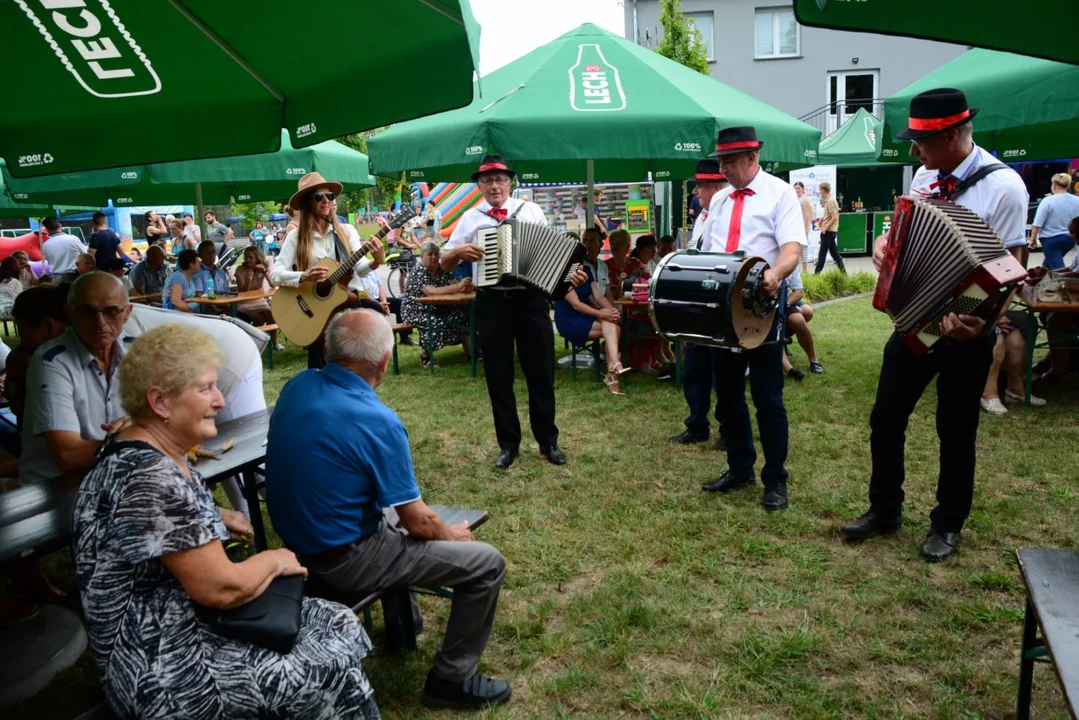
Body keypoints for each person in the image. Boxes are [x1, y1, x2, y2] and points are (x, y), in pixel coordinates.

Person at [72, 324, 380, 719]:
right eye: (206, 389)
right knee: (325, 660)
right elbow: (221, 588)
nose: (221, 400)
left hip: (176, 624)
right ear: (160, 402)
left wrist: (211, 514)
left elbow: (144, 519)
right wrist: (277, 559)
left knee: (337, 620)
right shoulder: (152, 479)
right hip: (160, 664)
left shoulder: (129, 443)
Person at [266, 309, 509, 711]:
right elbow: (417, 520)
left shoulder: (297, 385)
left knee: (387, 512)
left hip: (297, 542)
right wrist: (452, 536)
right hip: (342, 557)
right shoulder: (378, 421)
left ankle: (403, 625)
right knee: (485, 563)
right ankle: (450, 680)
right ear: (382, 363)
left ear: (328, 350)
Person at [841, 88, 1030, 561]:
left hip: (968, 332)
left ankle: (947, 524)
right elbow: (905, 230)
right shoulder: (927, 175)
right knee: (885, 417)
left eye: (920, 141)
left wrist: (975, 321)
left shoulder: (1005, 187)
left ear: (949, 136)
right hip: (916, 321)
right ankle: (885, 510)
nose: (913, 152)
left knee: (956, 428)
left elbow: (1010, 265)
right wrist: (886, 244)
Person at [441, 155, 585, 469]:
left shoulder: (530, 211)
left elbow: (553, 253)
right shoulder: (469, 218)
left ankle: (548, 441)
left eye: (500, 180)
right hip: (491, 302)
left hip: (531, 301)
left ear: (510, 183)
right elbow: (444, 262)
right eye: (488, 181)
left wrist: (568, 275)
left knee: (541, 373)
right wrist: (457, 252)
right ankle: (508, 445)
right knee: (498, 376)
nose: (495, 185)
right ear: (479, 186)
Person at [698, 126, 804, 512]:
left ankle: (775, 479)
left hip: (762, 306)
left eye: (729, 161)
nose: (723, 168)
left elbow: (792, 248)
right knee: (727, 395)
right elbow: (708, 251)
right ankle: (739, 467)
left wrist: (776, 273)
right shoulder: (721, 200)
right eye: (721, 160)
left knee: (767, 397)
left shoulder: (780, 194)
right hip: (723, 311)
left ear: (752, 158)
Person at [20, 273, 133, 486]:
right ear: (69, 312)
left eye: (111, 311)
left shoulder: (137, 351)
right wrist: (138, 436)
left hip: (115, 477)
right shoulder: (51, 361)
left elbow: (170, 420)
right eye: (88, 311)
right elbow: (68, 456)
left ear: (127, 313)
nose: (100, 322)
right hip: (57, 488)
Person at [270, 173, 384, 369]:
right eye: (318, 196)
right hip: (315, 309)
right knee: (319, 361)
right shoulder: (295, 237)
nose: (326, 201)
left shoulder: (346, 231)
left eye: (330, 196)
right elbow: (275, 274)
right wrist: (303, 276)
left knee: (375, 314)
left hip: (347, 301)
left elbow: (361, 269)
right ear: (307, 203)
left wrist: (376, 261)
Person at [671, 160, 729, 446]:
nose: (696, 191)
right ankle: (697, 424)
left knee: (722, 371)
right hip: (698, 304)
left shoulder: (728, 215)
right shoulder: (702, 217)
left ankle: (727, 428)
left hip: (719, 305)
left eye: (701, 186)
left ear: (716, 188)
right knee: (695, 368)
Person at [553, 252, 629, 395]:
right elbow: (576, 304)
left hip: (587, 315)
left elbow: (599, 296)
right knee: (614, 329)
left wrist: (611, 311)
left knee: (612, 325)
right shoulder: (561, 274)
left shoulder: (586, 271)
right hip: (569, 319)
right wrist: (602, 313)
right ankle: (612, 370)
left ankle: (613, 368)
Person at [400, 241, 474, 368]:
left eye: (436, 254)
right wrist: (458, 286)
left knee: (463, 315)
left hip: (438, 306)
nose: (434, 257)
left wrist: (467, 286)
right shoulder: (418, 271)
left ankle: (471, 354)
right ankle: (426, 356)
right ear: (422, 256)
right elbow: (432, 292)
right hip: (416, 310)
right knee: (434, 321)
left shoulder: (442, 270)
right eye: (430, 254)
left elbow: (456, 285)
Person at [6, 284, 70, 428]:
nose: (21, 341)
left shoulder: (23, 360)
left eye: (22, 332)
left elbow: (20, 409)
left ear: (48, 325)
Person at [1029, 172, 1079, 269]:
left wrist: (1033, 239)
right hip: (1069, 239)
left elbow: (1037, 223)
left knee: (1057, 267)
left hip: (1050, 240)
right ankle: (1040, 279)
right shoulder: (1077, 200)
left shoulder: (1047, 201)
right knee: (1048, 264)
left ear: (1054, 186)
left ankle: (1065, 283)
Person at [781, 266, 823, 380]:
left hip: (783, 300)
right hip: (765, 303)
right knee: (793, 321)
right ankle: (790, 370)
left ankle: (814, 360)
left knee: (803, 315)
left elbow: (799, 292)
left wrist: (785, 306)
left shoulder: (790, 262)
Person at [815, 182, 845, 274]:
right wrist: (822, 220)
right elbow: (831, 215)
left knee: (822, 253)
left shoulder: (830, 201)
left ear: (823, 190)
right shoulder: (830, 200)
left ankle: (816, 274)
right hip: (831, 230)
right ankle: (843, 273)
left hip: (828, 231)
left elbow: (834, 217)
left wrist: (825, 228)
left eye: (820, 190)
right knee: (834, 253)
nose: (819, 192)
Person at [192, 241, 231, 311]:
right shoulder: (197, 273)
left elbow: (227, 293)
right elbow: (199, 297)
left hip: (224, 306)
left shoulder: (221, 272)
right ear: (200, 255)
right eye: (208, 253)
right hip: (207, 310)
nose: (211, 255)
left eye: (213, 252)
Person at [163, 249, 202, 313]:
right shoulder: (178, 277)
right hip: (175, 315)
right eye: (197, 261)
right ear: (191, 265)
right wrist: (193, 313)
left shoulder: (189, 277)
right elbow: (176, 301)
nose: (199, 263)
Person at [581, 228, 611, 296]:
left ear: (601, 244)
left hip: (602, 304)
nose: (587, 244)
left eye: (592, 241)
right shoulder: (579, 266)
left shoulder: (603, 266)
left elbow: (608, 294)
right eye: (585, 240)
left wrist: (613, 307)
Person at [793, 182, 814, 275]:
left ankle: (805, 269)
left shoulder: (805, 199)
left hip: (803, 227)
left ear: (802, 189)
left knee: (803, 249)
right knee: (795, 248)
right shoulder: (793, 198)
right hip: (795, 226)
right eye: (795, 188)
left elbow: (807, 215)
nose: (797, 190)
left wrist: (805, 229)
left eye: (798, 188)